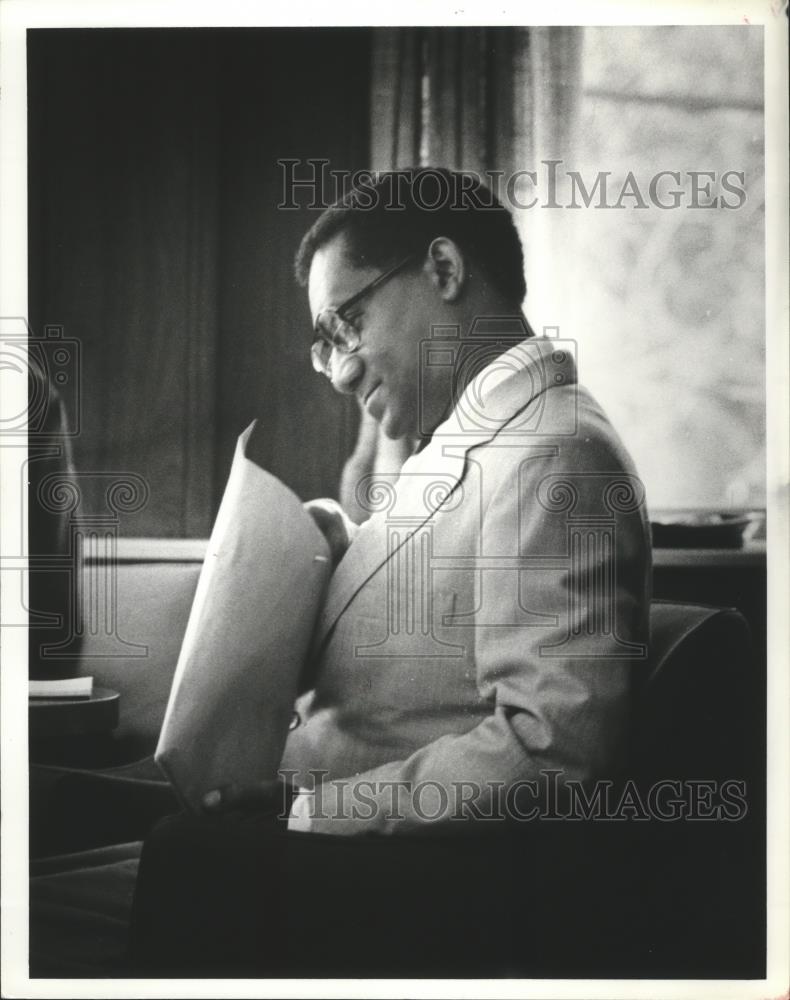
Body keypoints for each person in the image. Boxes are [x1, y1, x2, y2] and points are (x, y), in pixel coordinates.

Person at [29, 166, 651, 972]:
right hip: (287, 857)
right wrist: (330, 548)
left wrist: (306, 811)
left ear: (445, 270)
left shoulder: (553, 455)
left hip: (342, 883)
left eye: (347, 323)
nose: (343, 370)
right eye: (328, 344)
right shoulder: (481, 443)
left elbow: (552, 750)